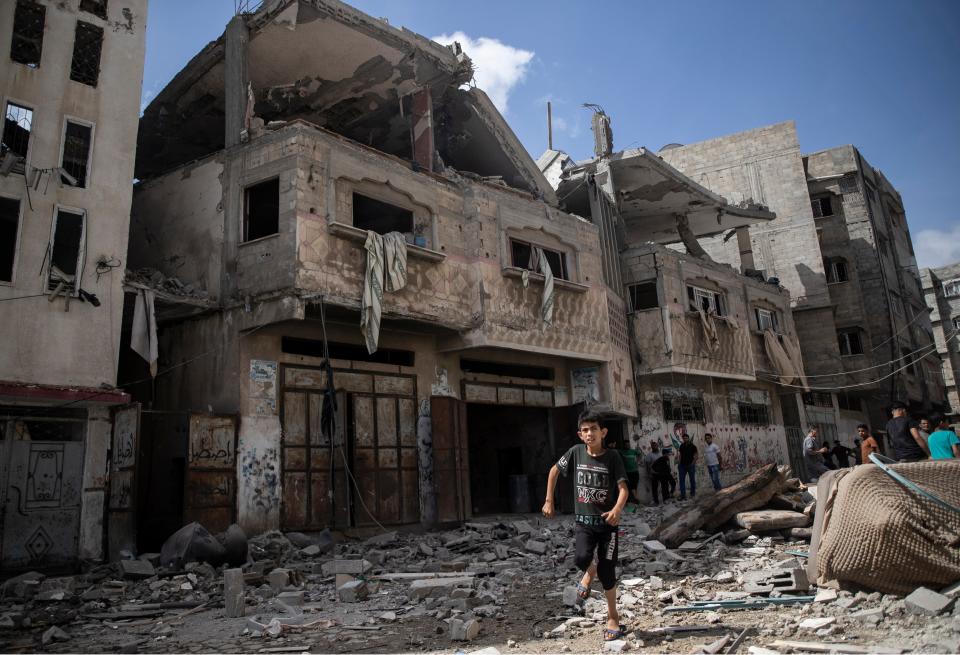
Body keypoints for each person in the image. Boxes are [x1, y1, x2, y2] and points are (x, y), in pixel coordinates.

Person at [542, 411, 629, 642]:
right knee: (581, 559)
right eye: (585, 430)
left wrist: (617, 510)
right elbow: (553, 472)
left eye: (594, 429)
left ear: (603, 432)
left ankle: (613, 616)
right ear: (580, 434)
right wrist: (549, 500)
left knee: (607, 572)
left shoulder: (613, 457)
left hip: (607, 526)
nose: (590, 433)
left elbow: (623, 489)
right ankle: (589, 572)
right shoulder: (575, 453)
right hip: (584, 523)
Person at [677, 432, 698, 500]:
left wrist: (693, 463)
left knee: (692, 480)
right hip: (682, 466)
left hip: (690, 465)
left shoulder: (693, 446)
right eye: (684, 438)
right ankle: (683, 495)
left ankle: (692, 493)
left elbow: (696, 455)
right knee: (681, 480)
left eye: (686, 438)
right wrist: (679, 463)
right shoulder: (681, 446)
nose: (685, 439)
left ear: (688, 438)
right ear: (683, 439)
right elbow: (680, 455)